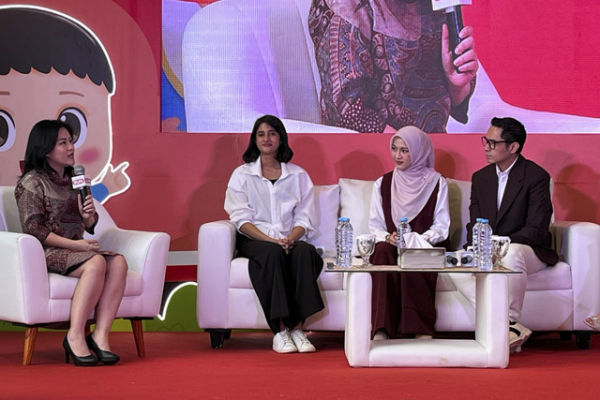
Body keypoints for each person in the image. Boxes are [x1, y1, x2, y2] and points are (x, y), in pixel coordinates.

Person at [14, 120, 128, 366]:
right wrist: (78, 246)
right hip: (46, 251)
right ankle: (75, 335)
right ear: (45, 149)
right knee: (96, 262)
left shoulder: (76, 180)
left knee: (118, 262)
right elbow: (35, 230)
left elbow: (89, 225)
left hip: (76, 249)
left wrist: (89, 217)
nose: (70, 148)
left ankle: (100, 336)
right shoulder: (32, 182)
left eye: (71, 141)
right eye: (62, 143)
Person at [224, 115, 325, 353]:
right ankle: (280, 331)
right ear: (254, 140)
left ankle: (298, 329)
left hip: (289, 237)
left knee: (305, 253)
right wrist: (272, 240)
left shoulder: (298, 175)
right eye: (261, 134)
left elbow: (305, 217)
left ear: (281, 138)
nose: (267, 138)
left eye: (272, 133)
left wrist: (292, 238)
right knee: (272, 254)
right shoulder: (242, 174)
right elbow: (240, 218)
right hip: (255, 239)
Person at [308, 0, 478, 133]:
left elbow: (452, 105)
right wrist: (414, 155)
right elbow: (346, 111)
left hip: (430, 156)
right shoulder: (346, 6)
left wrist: (456, 85)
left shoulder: (438, 6)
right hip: (373, 159)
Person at [467, 117, 559, 352]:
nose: (486, 148)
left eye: (493, 143)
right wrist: (476, 247)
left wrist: (500, 245)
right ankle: (512, 328)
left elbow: (536, 229)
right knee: (457, 265)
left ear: (513, 147)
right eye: (485, 141)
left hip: (528, 249)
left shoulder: (536, 177)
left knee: (512, 254)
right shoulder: (481, 178)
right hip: (490, 249)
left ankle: (508, 323)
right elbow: (474, 223)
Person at [368, 125, 450, 339]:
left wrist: (416, 239)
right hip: (392, 244)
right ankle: (382, 328)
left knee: (414, 252)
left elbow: (442, 227)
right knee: (382, 251)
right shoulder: (382, 183)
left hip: (423, 244)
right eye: (394, 148)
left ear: (419, 151)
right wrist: (389, 237)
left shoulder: (437, 183)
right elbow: (375, 225)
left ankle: (420, 328)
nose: (397, 155)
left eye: (405, 150)